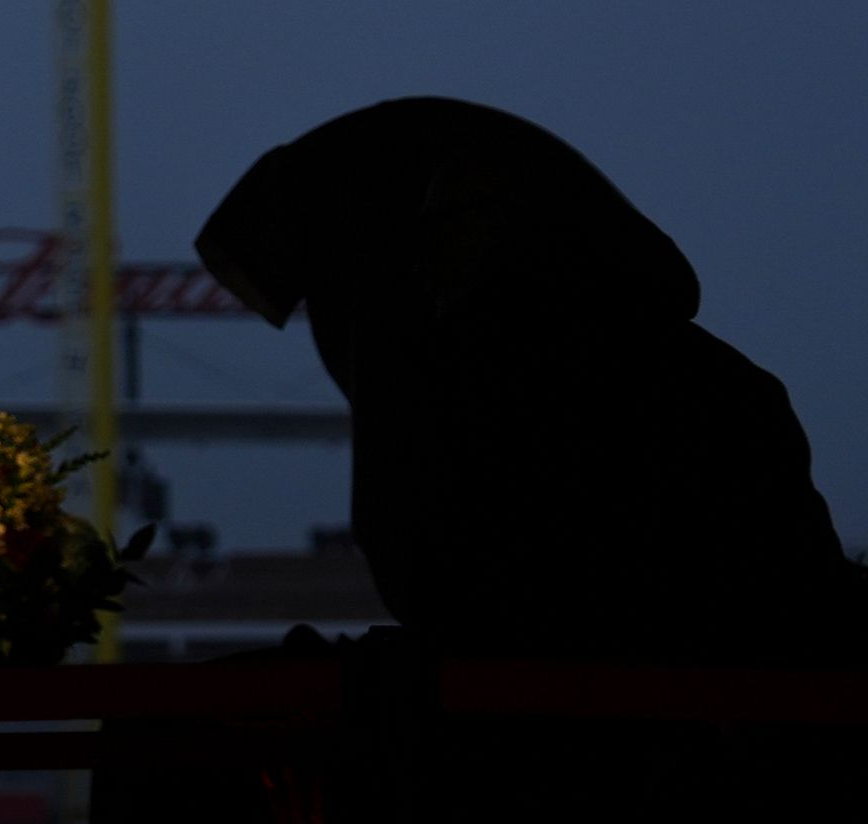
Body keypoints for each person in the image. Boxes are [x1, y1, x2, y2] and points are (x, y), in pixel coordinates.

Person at [195, 98, 848, 661]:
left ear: (518, 232)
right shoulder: (710, 380)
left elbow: (454, 591)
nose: (420, 256)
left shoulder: (492, 392)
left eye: (444, 226)